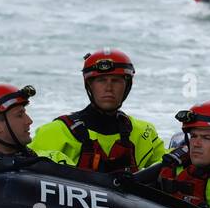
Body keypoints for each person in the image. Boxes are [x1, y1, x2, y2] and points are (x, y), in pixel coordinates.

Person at [27, 50, 166, 174]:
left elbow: (168, 168)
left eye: (116, 81)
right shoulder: (55, 131)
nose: (109, 88)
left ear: (127, 86)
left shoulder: (145, 133)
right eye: (101, 80)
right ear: (89, 85)